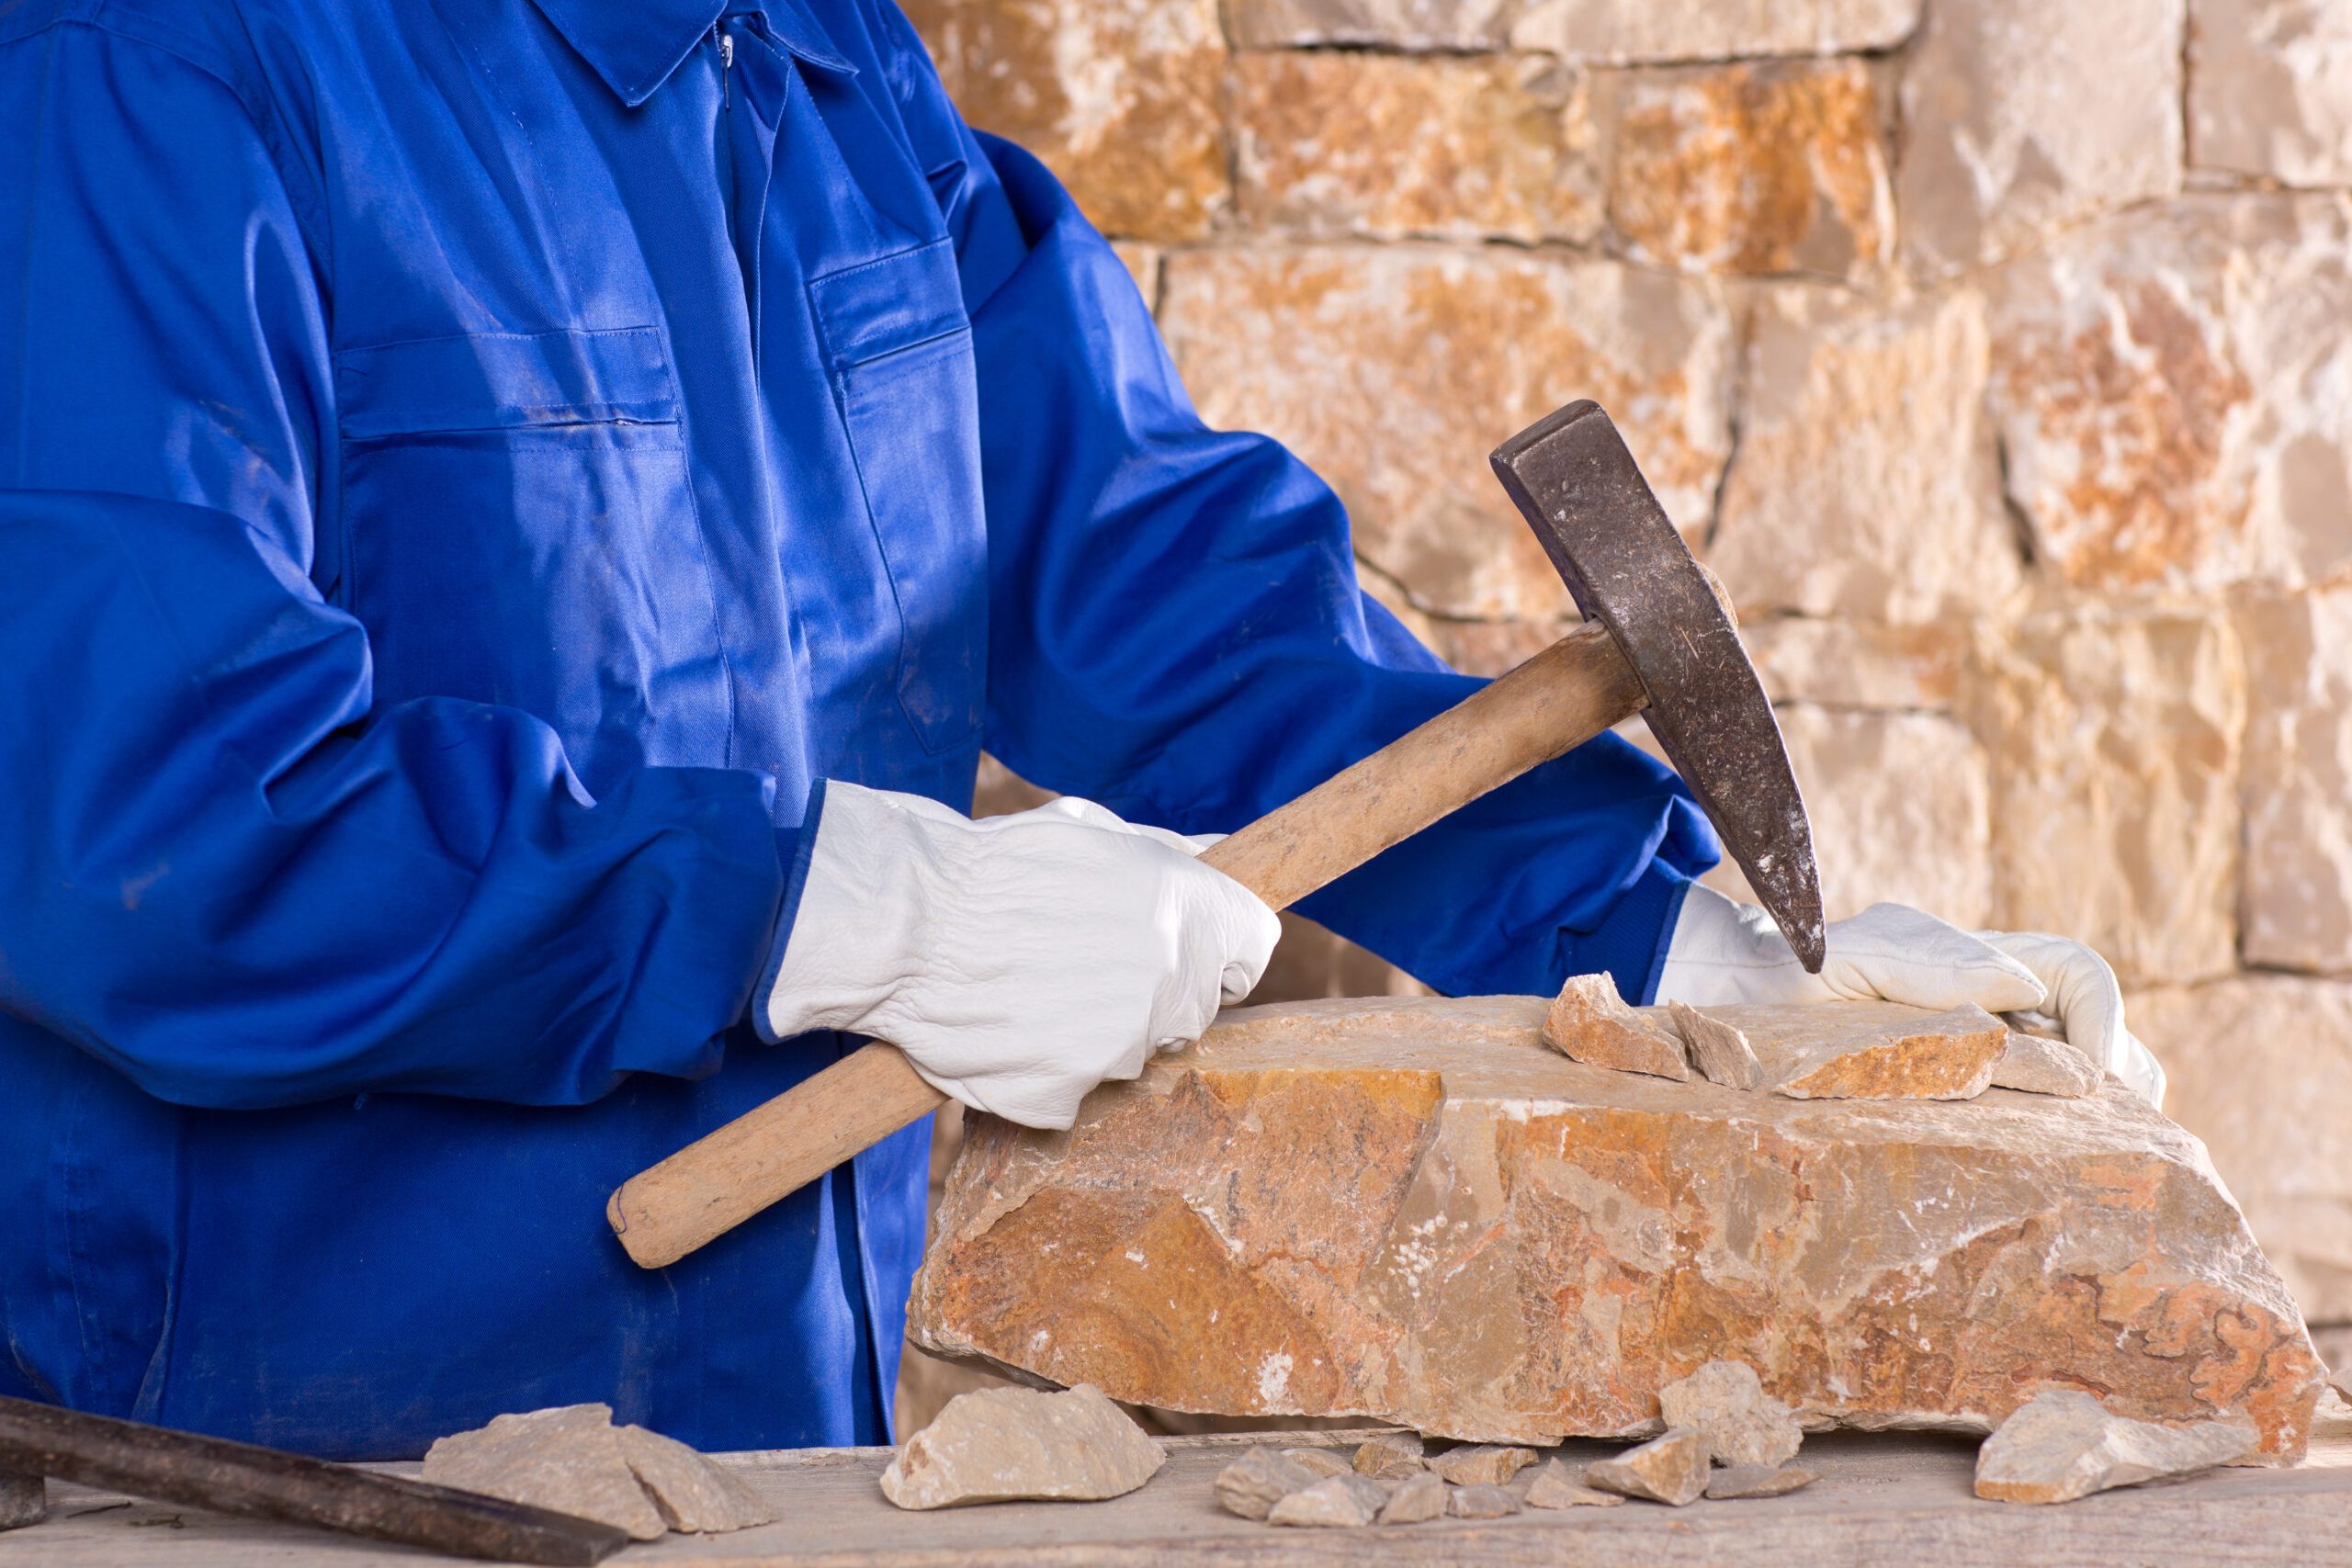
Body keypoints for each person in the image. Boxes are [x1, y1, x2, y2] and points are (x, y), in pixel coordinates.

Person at [0, 0, 2160, 1460]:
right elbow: (148, 820)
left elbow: (1161, 590)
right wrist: (830, 912)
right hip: (280, 1454)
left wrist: (1677, 937)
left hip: (800, 1447)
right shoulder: (146, 73)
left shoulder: (835, 84)